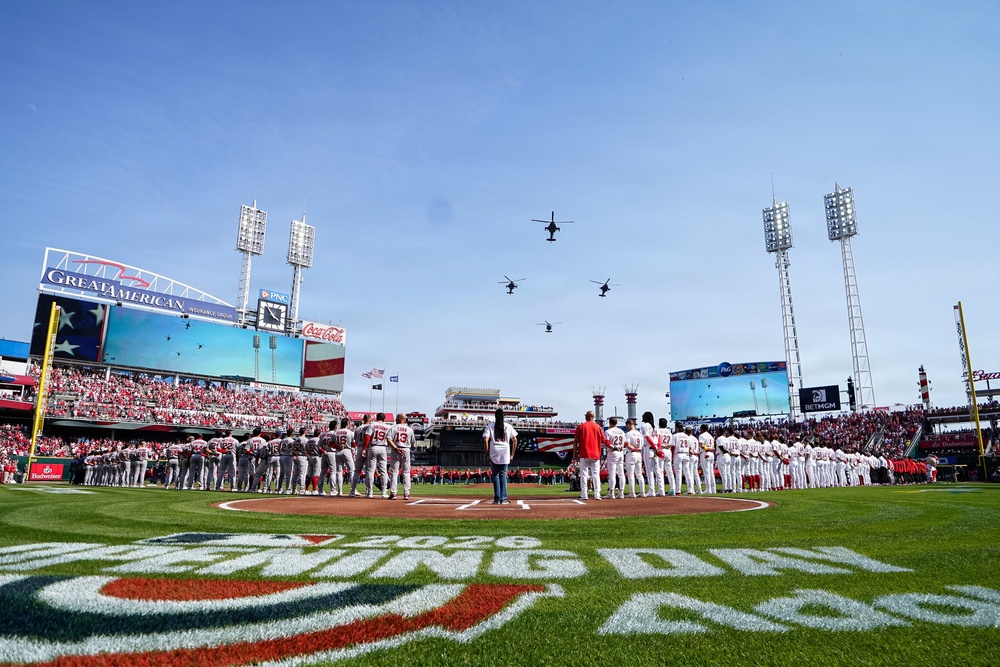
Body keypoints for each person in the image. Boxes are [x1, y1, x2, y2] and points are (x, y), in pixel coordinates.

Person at [483, 408, 518, 505]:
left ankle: (497, 499)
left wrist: (487, 453)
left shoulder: (490, 426)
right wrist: (512, 454)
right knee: (503, 475)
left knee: (496, 476)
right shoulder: (508, 426)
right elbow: (515, 440)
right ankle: (503, 499)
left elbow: (485, 440)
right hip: (505, 452)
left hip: (494, 451)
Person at [573, 410, 605, 500]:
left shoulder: (581, 426)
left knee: (584, 474)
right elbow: (603, 440)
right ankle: (597, 494)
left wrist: (574, 452)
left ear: (586, 417)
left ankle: (584, 494)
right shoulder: (598, 427)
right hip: (595, 453)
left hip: (584, 453)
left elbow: (575, 441)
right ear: (593, 417)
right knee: (595, 474)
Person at [387, 413, 415, 500]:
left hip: (396, 449)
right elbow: (413, 443)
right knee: (406, 472)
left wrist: (396, 448)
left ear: (399, 419)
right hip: (406, 449)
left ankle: (393, 493)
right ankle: (406, 494)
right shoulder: (409, 429)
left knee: (394, 472)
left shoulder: (393, 427)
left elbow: (388, 439)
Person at [603, 417, 626, 500]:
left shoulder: (608, 431)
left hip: (613, 452)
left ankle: (611, 493)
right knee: (621, 473)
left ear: (610, 423)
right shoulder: (622, 432)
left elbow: (607, 443)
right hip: (621, 452)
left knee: (612, 473)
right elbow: (625, 443)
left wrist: (615, 447)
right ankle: (621, 493)